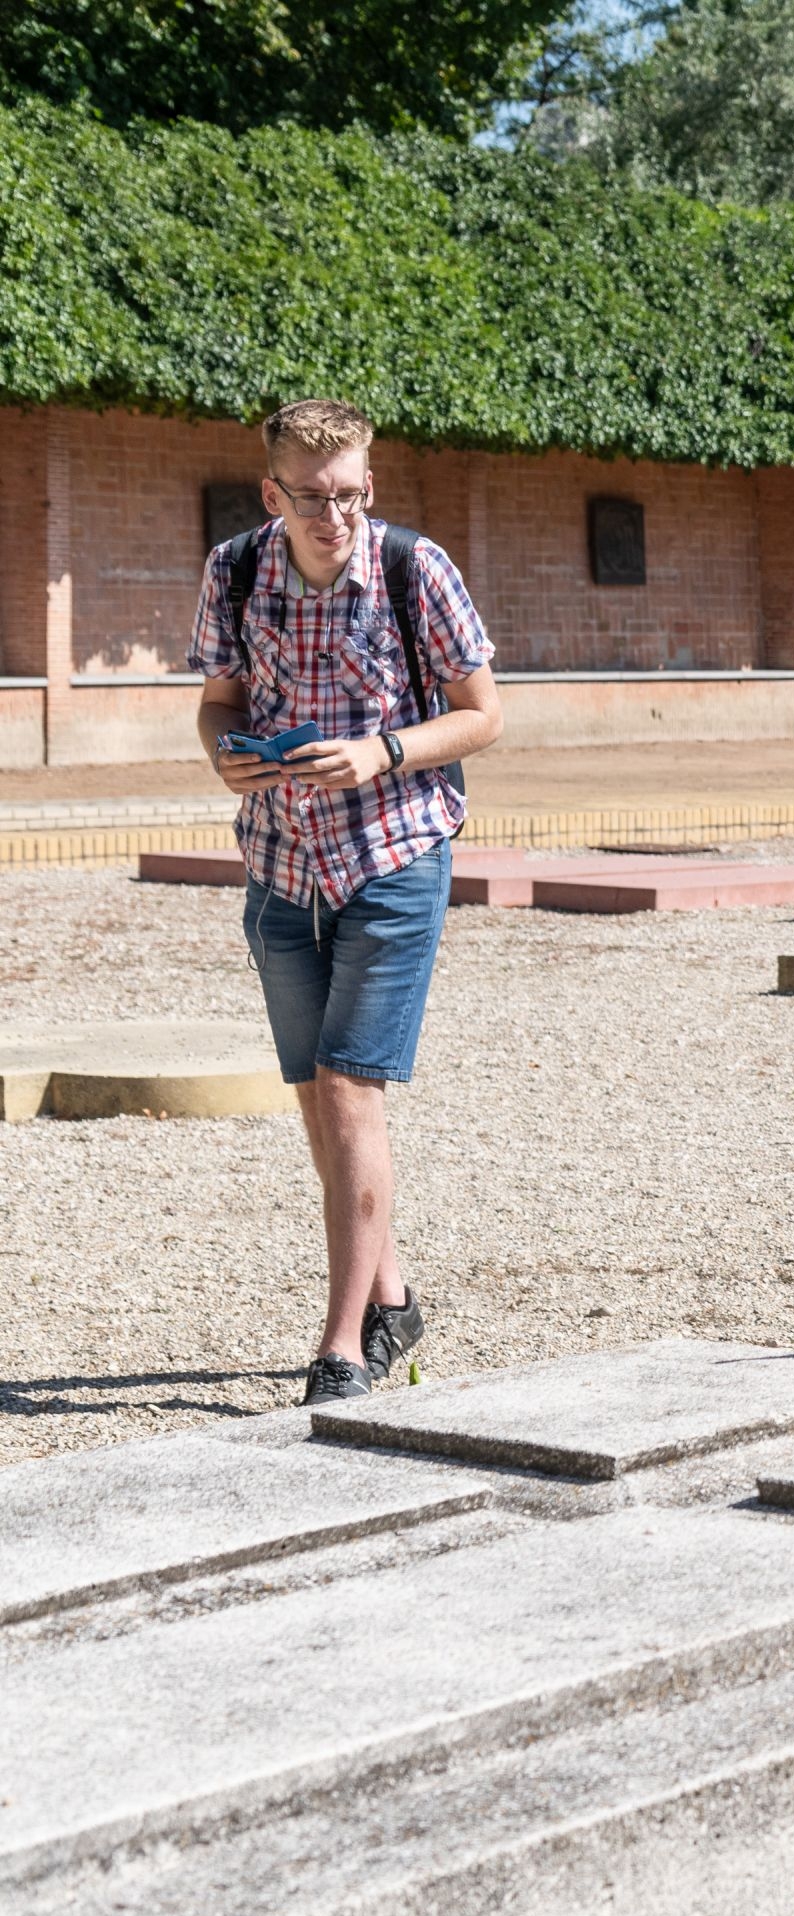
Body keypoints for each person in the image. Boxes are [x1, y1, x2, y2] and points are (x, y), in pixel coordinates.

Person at [185, 398, 504, 1407]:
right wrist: (224, 758)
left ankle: (341, 1347)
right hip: (279, 861)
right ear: (274, 492)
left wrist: (381, 750)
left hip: (394, 857)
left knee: (349, 1088)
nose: (339, 516)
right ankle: (396, 1294)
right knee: (317, 1100)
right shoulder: (234, 569)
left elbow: (484, 713)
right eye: (315, 497)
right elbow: (219, 699)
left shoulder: (418, 569)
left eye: (355, 493)